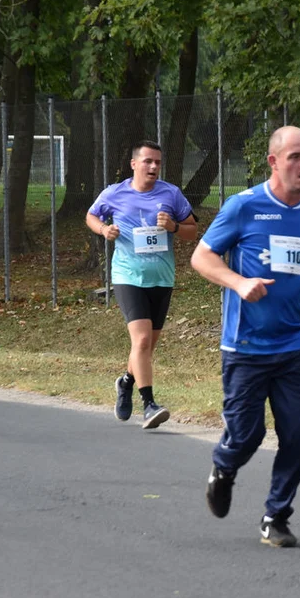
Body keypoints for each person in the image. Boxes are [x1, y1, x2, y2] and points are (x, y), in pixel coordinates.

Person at [191, 125, 300, 548]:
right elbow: (202, 256)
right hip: (246, 347)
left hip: (293, 348)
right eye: (295, 157)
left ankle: (276, 515)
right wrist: (237, 283)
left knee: (299, 441)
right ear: (273, 161)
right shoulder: (244, 206)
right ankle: (224, 466)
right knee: (247, 435)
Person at [86, 140, 197, 430]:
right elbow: (91, 216)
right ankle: (149, 404)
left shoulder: (171, 194)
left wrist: (173, 226)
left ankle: (125, 382)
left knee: (148, 345)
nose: (153, 167)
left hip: (161, 277)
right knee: (142, 341)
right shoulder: (114, 193)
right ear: (134, 164)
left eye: (157, 162)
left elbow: (192, 232)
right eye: (148, 161)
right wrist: (103, 230)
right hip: (127, 276)